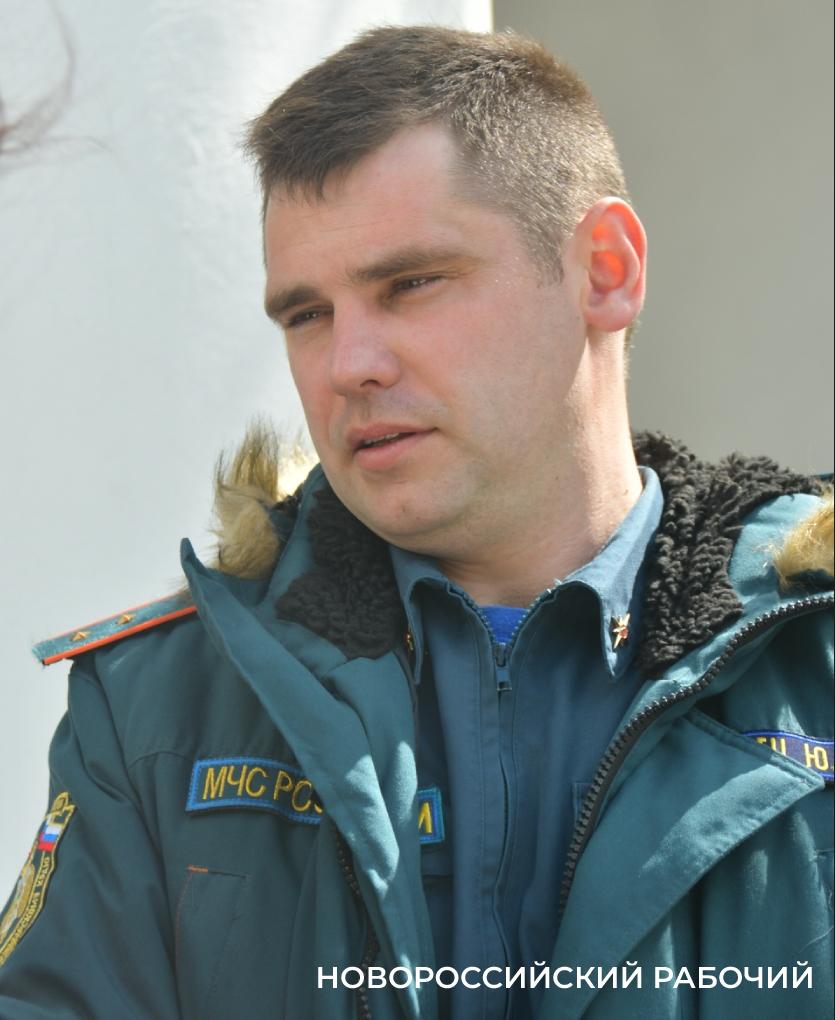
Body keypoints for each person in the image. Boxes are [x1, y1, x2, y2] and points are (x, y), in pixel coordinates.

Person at [0, 25, 832, 1020]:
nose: (349, 364)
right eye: (306, 314)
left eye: (411, 284)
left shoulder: (814, 667)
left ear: (604, 270)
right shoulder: (158, 705)